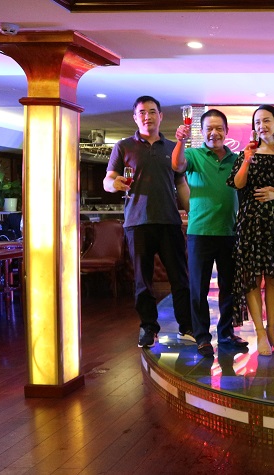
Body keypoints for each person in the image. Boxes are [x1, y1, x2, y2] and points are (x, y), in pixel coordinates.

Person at [104, 95, 193, 348]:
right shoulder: (123, 146)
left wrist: (193, 213)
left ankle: (187, 326)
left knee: (180, 278)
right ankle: (148, 327)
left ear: (160, 116)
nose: (147, 116)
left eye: (152, 111)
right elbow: (108, 180)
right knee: (143, 281)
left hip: (169, 221)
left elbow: (181, 184)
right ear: (135, 117)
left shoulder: (172, 147)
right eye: (142, 112)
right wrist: (114, 184)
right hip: (137, 222)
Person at [171, 108, 246, 357]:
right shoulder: (193, 154)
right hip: (200, 232)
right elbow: (177, 164)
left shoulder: (237, 159)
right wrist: (180, 141)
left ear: (226, 131)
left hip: (229, 232)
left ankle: (226, 333)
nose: (214, 133)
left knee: (229, 288)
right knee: (198, 289)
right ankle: (202, 336)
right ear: (202, 132)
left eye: (219, 128)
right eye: (209, 129)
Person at [229, 105, 274, 356]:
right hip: (250, 221)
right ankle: (260, 332)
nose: (262, 126)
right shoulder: (247, 153)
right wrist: (247, 159)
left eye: (267, 120)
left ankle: (271, 330)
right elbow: (238, 184)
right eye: (258, 122)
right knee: (251, 277)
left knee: (273, 277)